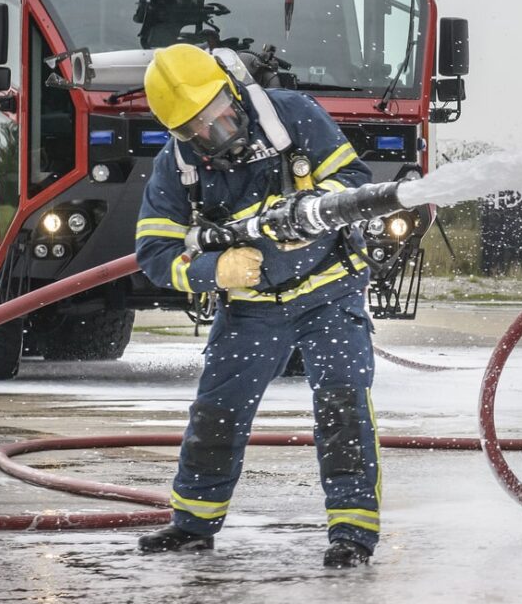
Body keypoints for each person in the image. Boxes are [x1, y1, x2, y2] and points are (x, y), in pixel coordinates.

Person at [132, 44, 383, 569]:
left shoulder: (290, 114)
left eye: (221, 113)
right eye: (197, 128)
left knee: (342, 407)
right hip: (250, 309)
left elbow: (357, 182)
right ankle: (193, 523)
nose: (216, 132)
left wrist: (311, 211)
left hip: (329, 291)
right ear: (177, 132)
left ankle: (352, 532)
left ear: (233, 88)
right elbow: (154, 254)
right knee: (217, 412)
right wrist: (213, 271)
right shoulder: (175, 169)